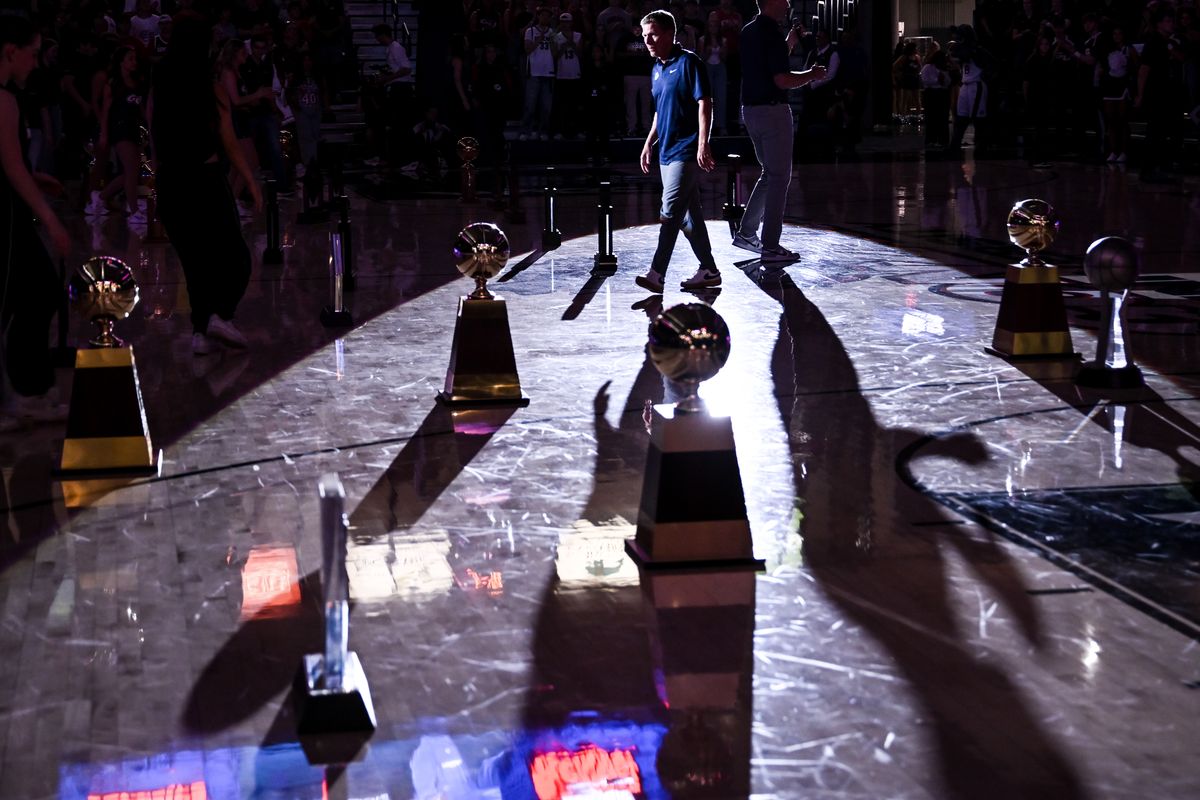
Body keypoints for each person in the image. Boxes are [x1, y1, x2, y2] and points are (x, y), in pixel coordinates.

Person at [149, 13, 259, 356]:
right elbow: (228, 141)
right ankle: (218, 317)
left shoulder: (160, 82)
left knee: (195, 262)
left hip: (171, 182)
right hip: (205, 181)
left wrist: (157, 184)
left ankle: (200, 333)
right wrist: (253, 186)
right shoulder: (208, 86)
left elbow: (152, 135)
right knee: (236, 257)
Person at [0, 15, 70, 424]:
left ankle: (26, 392)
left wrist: (35, 174)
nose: (36, 62)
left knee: (32, 296)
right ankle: (24, 394)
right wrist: (52, 221)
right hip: (10, 220)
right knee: (38, 292)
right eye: (33, 52)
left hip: (14, 212)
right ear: (11, 51)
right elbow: (9, 166)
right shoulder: (4, 98)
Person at [633, 9, 719, 293]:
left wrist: (703, 143)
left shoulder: (689, 63)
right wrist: (649, 142)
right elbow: (659, 111)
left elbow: (704, 103)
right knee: (687, 215)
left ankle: (657, 274)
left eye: (653, 34)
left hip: (686, 150)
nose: (648, 41)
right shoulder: (656, 68)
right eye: (645, 36)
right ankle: (709, 270)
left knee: (669, 213)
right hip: (666, 153)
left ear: (671, 34)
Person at [733, 0, 825, 262]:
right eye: (783, 0)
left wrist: (790, 42)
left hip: (750, 111)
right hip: (773, 112)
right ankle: (771, 245)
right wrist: (812, 74)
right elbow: (781, 79)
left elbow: (768, 62)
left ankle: (747, 232)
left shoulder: (749, 30)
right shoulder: (771, 32)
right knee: (780, 178)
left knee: (770, 173)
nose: (787, 4)